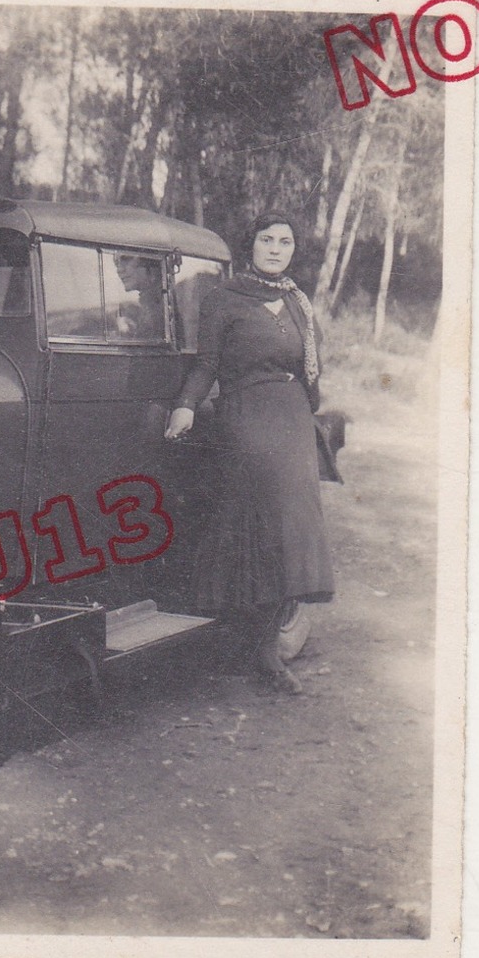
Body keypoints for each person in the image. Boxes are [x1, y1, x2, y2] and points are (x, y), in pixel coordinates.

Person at [164, 214, 335, 694]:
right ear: (251, 245)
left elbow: (310, 371)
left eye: (285, 241)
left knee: (289, 538)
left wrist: (311, 412)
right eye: (267, 240)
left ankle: (267, 654)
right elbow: (207, 364)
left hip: (293, 422)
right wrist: (186, 406)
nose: (276, 249)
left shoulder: (298, 301)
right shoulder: (225, 300)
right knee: (257, 533)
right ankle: (245, 648)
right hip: (249, 419)